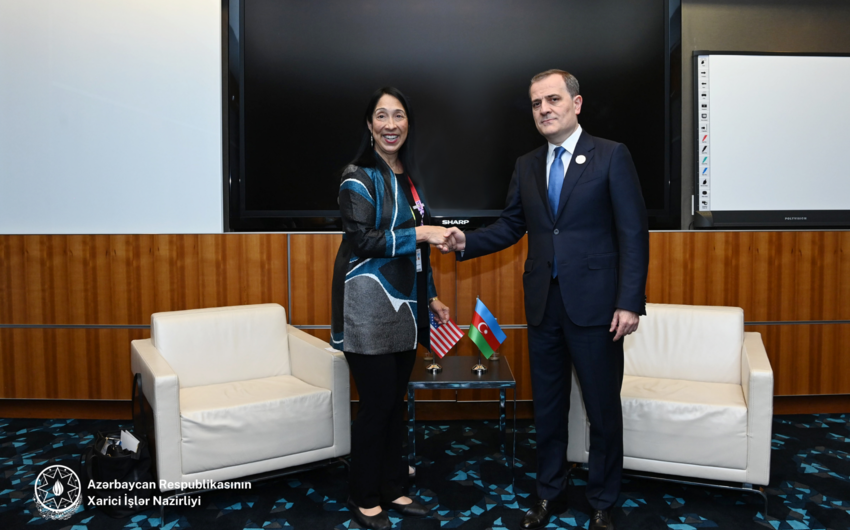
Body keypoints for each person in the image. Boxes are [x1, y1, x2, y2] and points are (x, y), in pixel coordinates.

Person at [440, 70, 649, 530]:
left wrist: (630, 301)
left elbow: (633, 233)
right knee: (549, 409)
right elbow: (511, 225)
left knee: (602, 410)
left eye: (553, 99)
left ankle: (603, 499)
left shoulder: (611, 155)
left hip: (597, 307)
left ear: (577, 103)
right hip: (543, 306)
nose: (544, 109)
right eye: (536, 103)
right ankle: (550, 494)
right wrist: (466, 241)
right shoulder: (527, 164)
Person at [331, 87, 451, 530]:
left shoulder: (407, 177)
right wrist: (422, 233)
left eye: (398, 116)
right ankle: (363, 495)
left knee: (394, 403)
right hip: (367, 304)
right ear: (369, 125)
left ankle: (392, 486)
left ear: (408, 124)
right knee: (377, 405)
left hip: (406, 307)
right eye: (381, 116)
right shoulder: (357, 177)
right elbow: (363, 241)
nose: (390, 124)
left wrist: (431, 295)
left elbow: (419, 252)